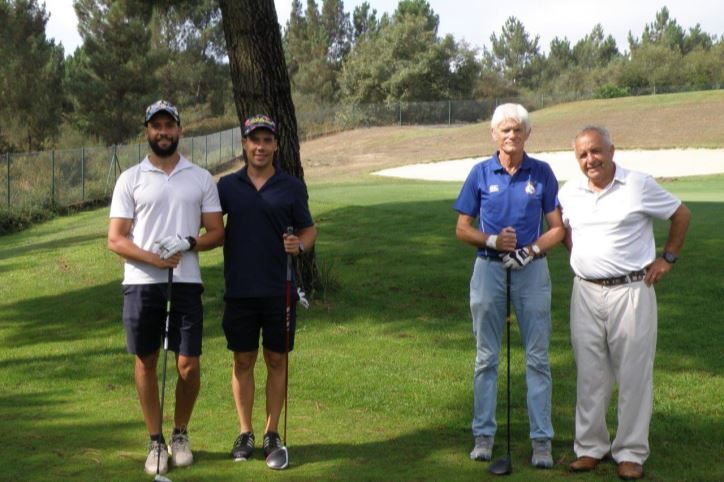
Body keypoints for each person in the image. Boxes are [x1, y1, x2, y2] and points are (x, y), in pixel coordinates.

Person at [558, 126, 691, 481]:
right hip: (584, 291)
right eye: (583, 155)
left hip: (632, 291)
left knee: (633, 374)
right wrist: (584, 259)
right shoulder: (569, 192)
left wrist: (667, 259)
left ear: (612, 150)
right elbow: (564, 230)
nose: (591, 160)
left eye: (596, 151)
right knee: (589, 373)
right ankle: (589, 448)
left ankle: (630, 452)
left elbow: (681, 214)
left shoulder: (638, 184)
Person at [107, 100, 224, 476]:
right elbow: (116, 239)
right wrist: (154, 259)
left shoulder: (200, 177)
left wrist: (188, 243)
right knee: (146, 359)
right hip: (142, 283)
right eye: (155, 126)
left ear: (180, 130)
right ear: (147, 132)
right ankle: (155, 440)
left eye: (168, 125)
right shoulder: (131, 179)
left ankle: (180, 434)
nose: (162, 132)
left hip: (186, 282)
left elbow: (217, 232)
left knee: (188, 365)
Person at [454, 103, 565, 468]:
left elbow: (556, 229)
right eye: (504, 129)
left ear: (527, 134)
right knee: (486, 357)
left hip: (531, 271)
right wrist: (491, 241)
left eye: (517, 129)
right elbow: (462, 228)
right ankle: (483, 436)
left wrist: (529, 250)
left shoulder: (542, 173)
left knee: (537, 357)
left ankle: (541, 442)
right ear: (493, 134)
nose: (511, 135)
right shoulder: (480, 173)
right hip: (489, 269)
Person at [217, 114, 317, 463]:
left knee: (277, 359)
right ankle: (245, 433)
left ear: (276, 144)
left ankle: (272, 433)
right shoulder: (227, 187)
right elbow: (211, 226)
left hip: (280, 289)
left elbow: (308, 230)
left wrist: (299, 247)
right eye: (253, 140)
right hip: (240, 289)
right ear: (244, 144)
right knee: (243, 359)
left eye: (266, 140)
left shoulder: (290, 187)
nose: (260, 147)